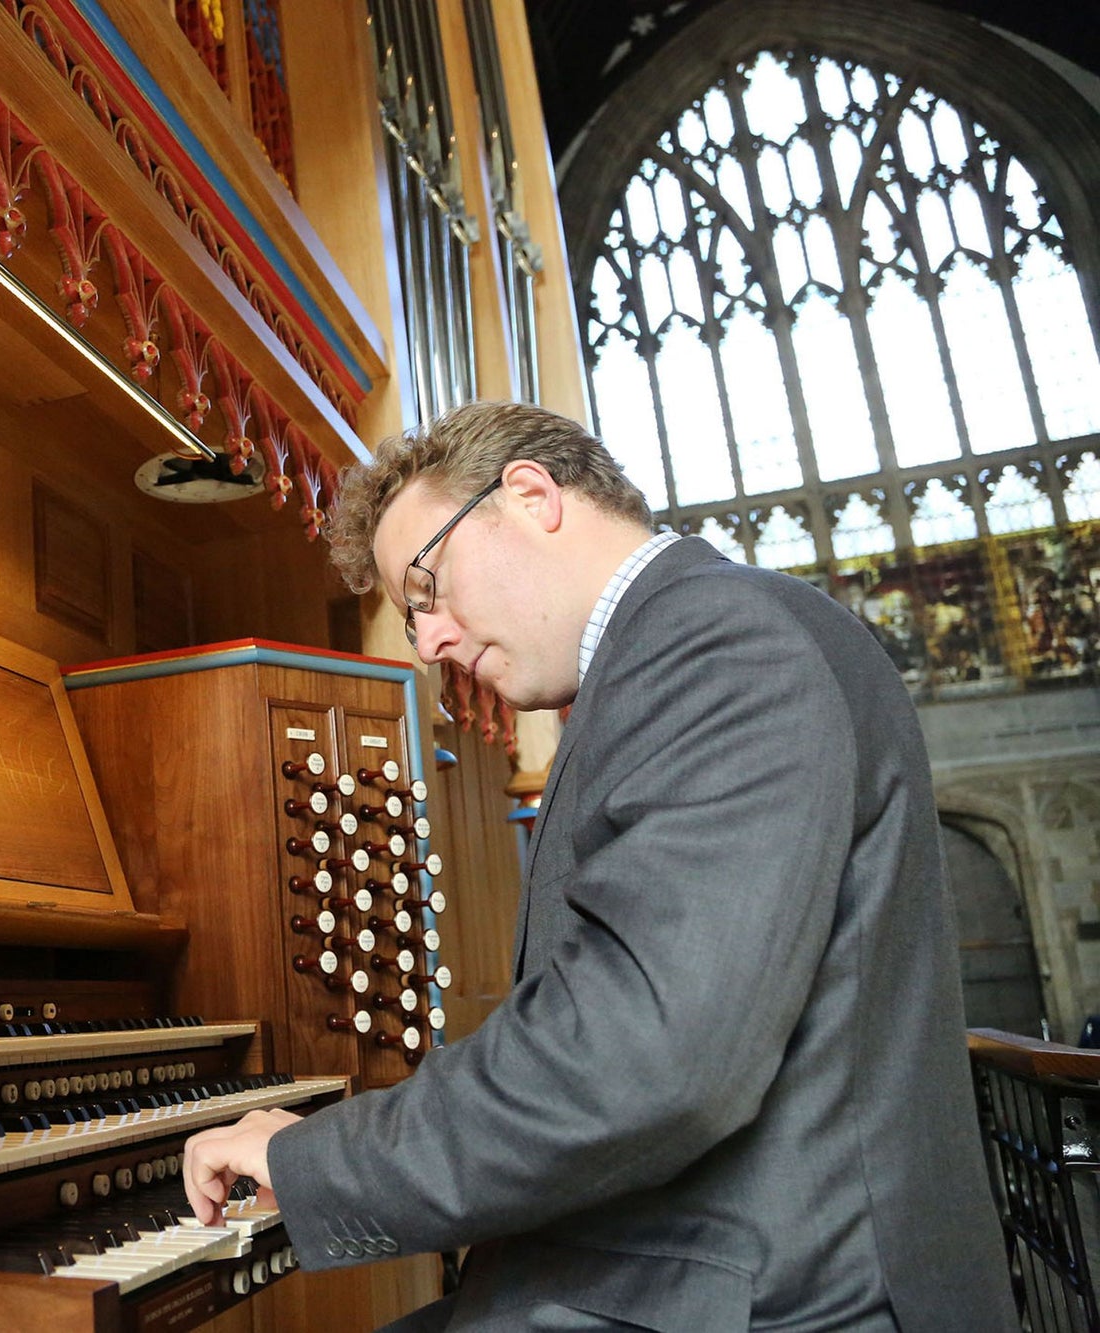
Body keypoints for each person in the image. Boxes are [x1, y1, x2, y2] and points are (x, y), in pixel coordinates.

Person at [181, 402, 1014, 1330]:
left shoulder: (715, 641)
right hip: (687, 1265)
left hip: (773, 1295)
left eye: (426, 589)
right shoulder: (664, 656)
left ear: (532, 496)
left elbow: (646, 1054)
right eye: (413, 620)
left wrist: (315, 1162)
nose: (428, 644)